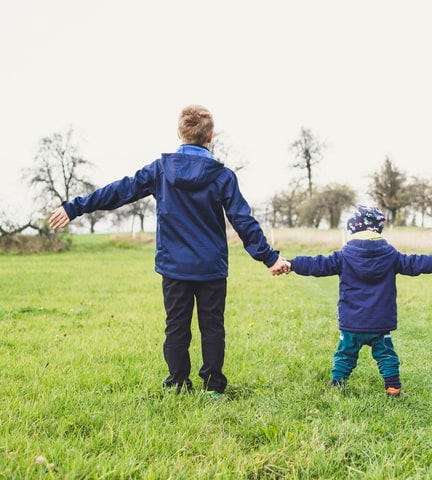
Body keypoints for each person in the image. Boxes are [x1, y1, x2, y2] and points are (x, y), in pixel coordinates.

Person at [48, 105, 289, 399]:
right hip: (211, 267)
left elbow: (119, 191)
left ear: (179, 133)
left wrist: (74, 207)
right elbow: (243, 220)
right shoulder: (222, 176)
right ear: (211, 136)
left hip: (174, 267)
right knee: (212, 327)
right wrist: (270, 257)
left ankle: (177, 383)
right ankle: (213, 387)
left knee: (176, 327)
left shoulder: (161, 171)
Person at [282, 205, 432, 397]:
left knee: (345, 354)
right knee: (386, 355)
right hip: (380, 322)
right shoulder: (391, 255)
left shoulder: (344, 256)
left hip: (352, 322)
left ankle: (337, 384)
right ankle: (393, 386)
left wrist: (292, 263)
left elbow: (317, 264)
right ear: (378, 229)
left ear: (354, 229)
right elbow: (413, 263)